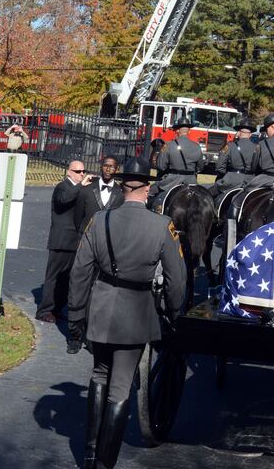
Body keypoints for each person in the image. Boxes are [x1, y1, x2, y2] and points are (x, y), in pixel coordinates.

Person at [68, 157, 187, 469]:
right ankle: (104, 464)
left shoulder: (100, 220)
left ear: (122, 188)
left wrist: (76, 316)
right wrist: (175, 314)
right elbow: (177, 279)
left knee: (99, 375)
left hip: (102, 307)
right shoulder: (163, 226)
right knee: (120, 386)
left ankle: (91, 455)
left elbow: (79, 272)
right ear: (147, 190)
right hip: (136, 312)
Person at [36, 160, 93, 323]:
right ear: (69, 172)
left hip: (74, 240)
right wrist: (80, 186)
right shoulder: (63, 187)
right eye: (77, 171)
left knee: (66, 277)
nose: (81, 174)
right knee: (54, 276)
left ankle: (57, 308)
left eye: (83, 171)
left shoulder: (79, 188)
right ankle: (45, 309)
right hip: (61, 240)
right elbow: (64, 200)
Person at [150, 116, 203, 199]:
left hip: (171, 182)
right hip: (192, 183)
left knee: (149, 192)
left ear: (177, 130)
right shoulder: (197, 147)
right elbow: (200, 167)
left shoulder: (168, 145)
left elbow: (161, 166)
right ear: (189, 131)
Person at [209, 117, 256, 208]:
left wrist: (228, 173)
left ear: (239, 132)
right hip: (251, 181)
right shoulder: (257, 147)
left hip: (231, 180)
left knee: (208, 195)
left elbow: (219, 166)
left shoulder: (229, 146)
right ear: (250, 134)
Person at [73, 155, 124, 234]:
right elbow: (77, 218)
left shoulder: (121, 194)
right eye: (105, 166)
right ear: (101, 167)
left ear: (117, 169)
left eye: (111, 167)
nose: (107, 169)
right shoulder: (86, 190)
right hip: (87, 237)